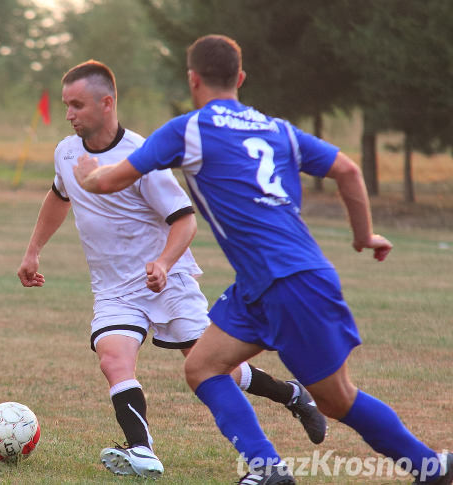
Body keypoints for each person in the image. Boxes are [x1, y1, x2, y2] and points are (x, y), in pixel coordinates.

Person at [74, 35, 451, 485]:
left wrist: (88, 175)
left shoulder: (189, 129)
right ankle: (268, 470)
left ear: (193, 79)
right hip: (262, 283)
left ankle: (430, 467)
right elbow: (348, 170)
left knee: (337, 399)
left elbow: (113, 179)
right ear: (241, 78)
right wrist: (363, 235)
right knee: (202, 367)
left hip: (290, 282)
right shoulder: (279, 130)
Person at [18, 60, 327, 479]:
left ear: (107, 103)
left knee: (213, 368)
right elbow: (59, 196)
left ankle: (290, 395)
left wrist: (163, 264)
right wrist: (33, 250)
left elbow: (185, 220)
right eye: (65, 105)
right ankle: (141, 450)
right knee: (113, 357)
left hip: (170, 281)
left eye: (77, 105)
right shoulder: (65, 152)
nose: (69, 114)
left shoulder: (141, 157)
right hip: (114, 288)